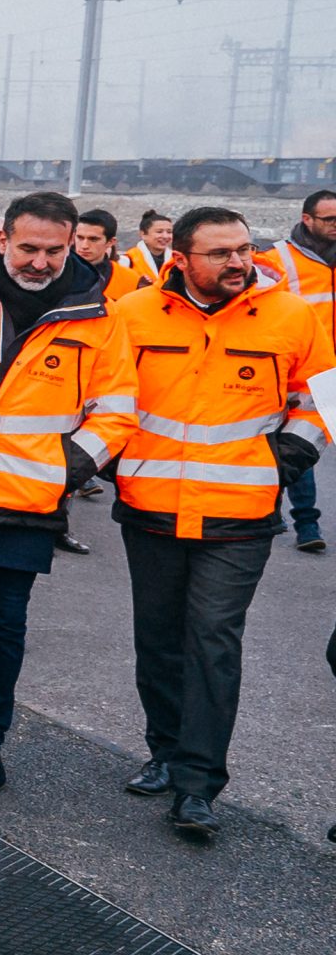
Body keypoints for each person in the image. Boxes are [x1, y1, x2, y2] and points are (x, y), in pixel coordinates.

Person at [109, 207, 333, 841]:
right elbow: (106, 395)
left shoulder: (291, 315)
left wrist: (289, 456)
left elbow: (320, 398)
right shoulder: (133, 315)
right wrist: (108, 460)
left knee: (212, 641)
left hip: (240, 514)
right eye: (221, 253)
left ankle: (198, 785)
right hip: (150, 506)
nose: (239, 262)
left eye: (245, 248)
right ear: (180, 260)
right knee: (157, 638)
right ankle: (165, 750)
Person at [0, 193, 136, 792]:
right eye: (28, 248)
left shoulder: (96, 316)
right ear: (3, 240)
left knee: (5, 629)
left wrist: (65, 467)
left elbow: (115, 411)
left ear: (74, 244)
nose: (39, 262)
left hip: (28, 500)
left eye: (54, 250)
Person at [261, 188, 333, 553]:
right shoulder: (276, 259)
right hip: (300, 372)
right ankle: (306, 523)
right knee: (300, 442)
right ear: (307, 219)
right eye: (330, 220)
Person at [73, 208, 145, 305]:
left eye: (93, 239)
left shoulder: (131, 280)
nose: (84, 245)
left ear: (111, 242)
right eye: (80, 237)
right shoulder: (56, 274)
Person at [119, 210, 173, 288]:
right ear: (143, 234)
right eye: (159, 232)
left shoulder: (175, 260)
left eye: (169, 232)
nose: (165, 236)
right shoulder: (127, 260)